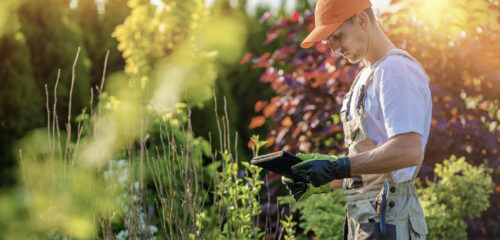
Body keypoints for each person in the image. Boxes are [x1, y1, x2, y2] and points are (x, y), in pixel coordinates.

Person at [281, 0, 432, 239]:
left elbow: (408, 150)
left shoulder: (396, 70)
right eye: (329, 41)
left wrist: (337, 167)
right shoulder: (364, 77)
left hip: (389, 219)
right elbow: (371, 171)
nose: (334, 48)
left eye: (337, 36)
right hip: (365, 219)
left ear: (362, 20)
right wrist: (322, 179)